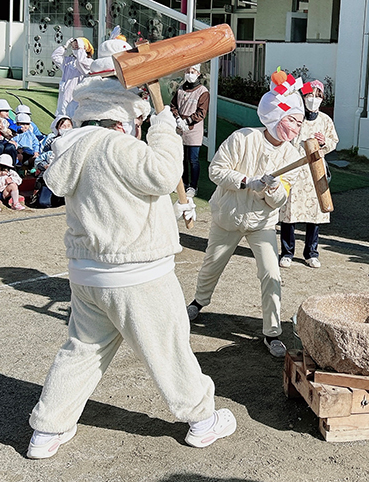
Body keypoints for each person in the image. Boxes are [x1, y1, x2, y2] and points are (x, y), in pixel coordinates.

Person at [26, 75, 235, 460]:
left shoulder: (72, 147)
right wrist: (164, 126)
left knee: (81, 351)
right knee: (169, 348)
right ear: (123, 120)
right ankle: (203, 420)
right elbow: (162, 173)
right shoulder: (117, 145)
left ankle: (47, 429)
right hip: (138, 273)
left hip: (88, 274)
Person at [186, 69, 305, 358]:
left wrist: (270, 188)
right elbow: (215, 170)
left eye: (300, 122)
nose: (297, 127)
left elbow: (279, 200)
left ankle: (272, 332)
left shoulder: (292, 155)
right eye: (292, 120)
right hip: (228, 215)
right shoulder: (243, 138)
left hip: (261, 223)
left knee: (271, 273)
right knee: (212, 265)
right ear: (276, 116)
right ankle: (198, 303)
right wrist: (245, 182)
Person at [279, 79, 338, 269]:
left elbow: (333, 141)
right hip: (295, 168)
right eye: (309, 95)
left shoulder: (325, 120)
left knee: (315, 213)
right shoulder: (294, 117)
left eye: (317, 96)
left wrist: (323, 143)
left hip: (315, 170)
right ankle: (287, 252)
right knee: (290, 212)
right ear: (303, 97)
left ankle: (311, 252)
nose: (313, 99)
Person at [170, 63, 209, 197]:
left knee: (193, 159)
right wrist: (177, 119)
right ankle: (184, 183)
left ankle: (193, 186)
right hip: (180, 128)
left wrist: (187, 121)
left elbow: (201, 112)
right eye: (188, 71)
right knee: (182, 158)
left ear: (198, 73)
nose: (190, 74)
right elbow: (173, 105)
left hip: (194, 130)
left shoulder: (203, 91)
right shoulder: (180, 89)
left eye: (193, 71)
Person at [51, 37, 94, 115]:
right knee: (63, 116)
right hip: (65, 94)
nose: (75, 49)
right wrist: (65, 46)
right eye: (73, 47)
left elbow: (81, 62)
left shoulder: (89, 62)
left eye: (77, 47)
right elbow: (55, 56)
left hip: (78, 96)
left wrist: (80, 49)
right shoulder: (68, 61)